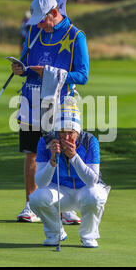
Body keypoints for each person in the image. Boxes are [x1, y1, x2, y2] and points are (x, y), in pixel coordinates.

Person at [11, 0, 90, 224]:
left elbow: (82, 76)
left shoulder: (76, 36)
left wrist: (49, 72)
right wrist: (21, 70)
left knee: (64, 152)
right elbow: (29, 67)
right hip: (31, 99)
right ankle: (31, 204)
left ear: (54, 13)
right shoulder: (34, 33)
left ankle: (66, 207)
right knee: (31, 153)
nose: (38, 25)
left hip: (61, 101)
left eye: (42, 20)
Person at [29, 102, 110, 248]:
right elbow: (40, 183)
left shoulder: (90, 141)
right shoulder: (45, 141)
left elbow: (92, 180)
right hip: (60, 192)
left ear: (77, 131)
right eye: (62, 132)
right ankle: (55, 233)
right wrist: (52, 160)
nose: (66, 137)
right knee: (36, 198)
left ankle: (88, 236)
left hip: (85, 191)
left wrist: (73, 156)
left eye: (70, 132)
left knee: (95, 196)